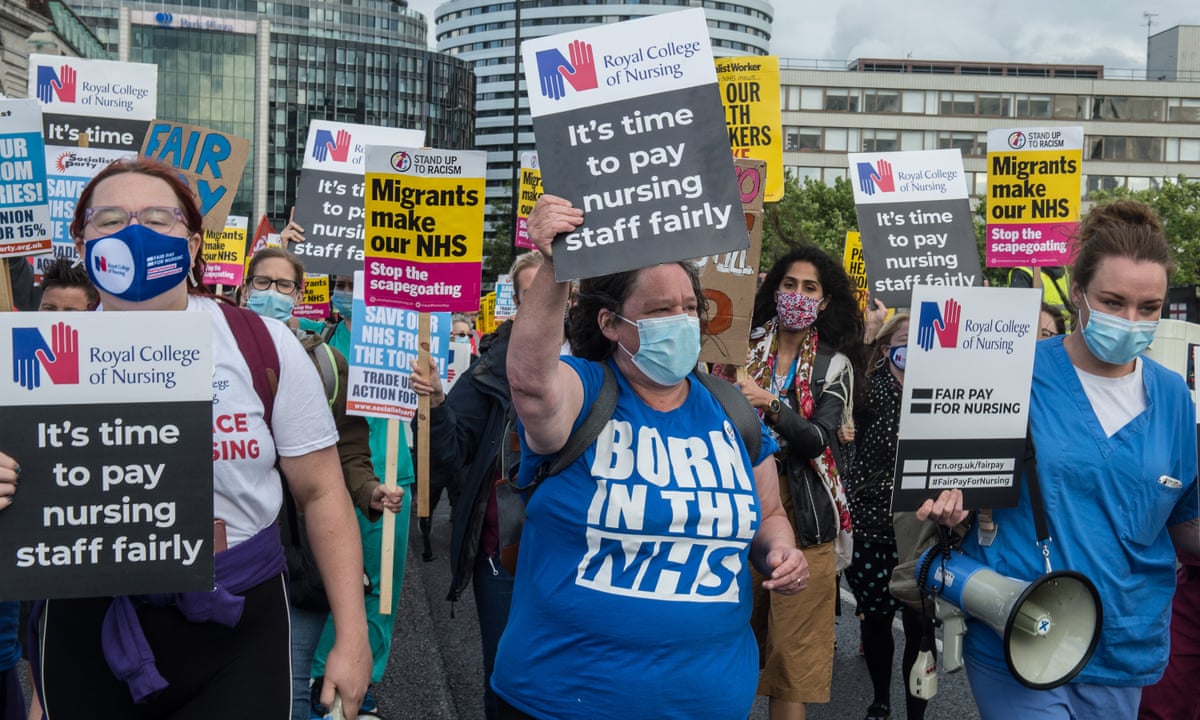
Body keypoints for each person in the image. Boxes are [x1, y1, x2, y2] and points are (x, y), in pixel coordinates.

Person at [0, 158, 372, 718]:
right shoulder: (36, 355)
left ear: (194, 244)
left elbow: (322, 494)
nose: (133, 232)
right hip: (88, 615)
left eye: (157, 217)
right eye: (108, 219)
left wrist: (353, 635)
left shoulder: (261, 344)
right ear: (81, 242)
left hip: (238, 620)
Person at [492, 195, 808, 719]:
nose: (681, 322)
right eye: (661, 311)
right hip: (562, 701)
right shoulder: (586, 393)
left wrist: (781, 553)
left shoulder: (731, 410)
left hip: (710, 702)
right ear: (612, 324)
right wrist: (554, 264)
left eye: (689, 308)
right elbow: (529, 383)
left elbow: (768, 515)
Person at [920, 199, 1198, 720]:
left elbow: (1183, 521)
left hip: (1123, 645)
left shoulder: (1174, 398)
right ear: (1077, 294)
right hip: (1023, 637)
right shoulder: (1011, 371)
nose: (1131, 321)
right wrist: (950, 505)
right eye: (1113, 302)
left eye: (1150, 308)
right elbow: (954, 483)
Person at [241, 247, 404, 720]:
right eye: (263, 283)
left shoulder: (326, 364)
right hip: (230, 551)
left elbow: (348, 452)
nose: (272, 294)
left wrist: (369, 489)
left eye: (284, 285)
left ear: (300, 294)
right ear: (244, 287)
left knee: (289, 692)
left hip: (298, 557)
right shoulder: (210, 351)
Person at [720, 245, 863, 720]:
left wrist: (768, 404)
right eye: (789, 284)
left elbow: (818, 439)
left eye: (810, 288)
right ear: (773, 289)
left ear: (823, 301)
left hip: (808, 521)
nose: (797, 295)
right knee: (729, 650)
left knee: (792, 665)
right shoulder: (736, 349)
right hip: (739, 510)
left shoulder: (832, 365)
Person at [410, 251, 544, 720]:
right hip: (504, 549)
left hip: (576, 554)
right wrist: (438, 405)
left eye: (558, 288)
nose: (548, 302)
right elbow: (451, 453)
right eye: (533, 293)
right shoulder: (488, 372)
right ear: (517, 302)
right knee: (505, 678)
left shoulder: (601, 365)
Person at [304, 270, 416, 714]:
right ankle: (319, 680)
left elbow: (433, 410)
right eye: (343, 286)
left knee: (380, 589)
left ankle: (360, 682)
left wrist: (434, 394)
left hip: (391, 478)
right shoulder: (320, 345)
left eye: (359, 287)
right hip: (334, 478)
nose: (350, 295)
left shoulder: (409, 346)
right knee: (333, 583)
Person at [843, 313, 934, 720]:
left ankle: (917, 711)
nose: (913, 347)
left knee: (919, 625)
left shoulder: (943, 393)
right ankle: (881, 699)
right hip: (870, 525)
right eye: (903, 339)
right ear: (886, 348)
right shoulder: (865, 391)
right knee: (877, 619)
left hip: (922, 529)